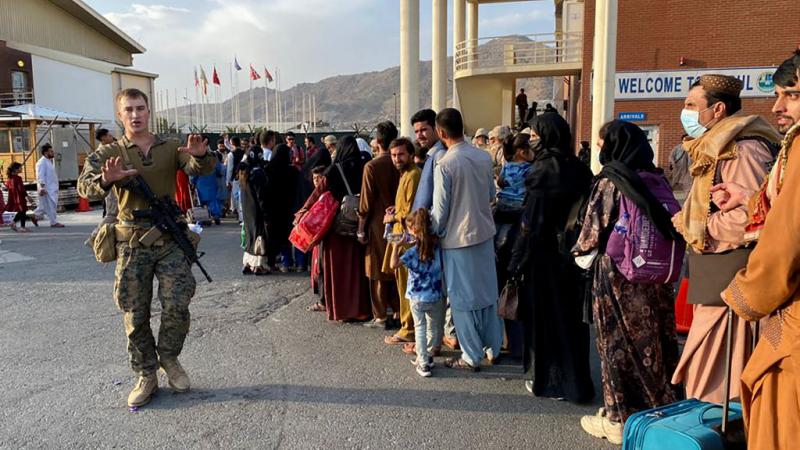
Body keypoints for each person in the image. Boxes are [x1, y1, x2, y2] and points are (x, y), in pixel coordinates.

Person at [77, 88, 216, 407]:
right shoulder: (110, 152)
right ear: (120, 115)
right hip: (131, 243)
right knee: (134, 312)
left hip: (169, 240)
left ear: (148, 111)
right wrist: (106, 180)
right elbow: (86, 186)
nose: (135, 115)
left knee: (178, 303)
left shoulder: (169, 147)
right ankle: (146, 374)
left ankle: (169, 359)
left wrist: (198, 155)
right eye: (129, 110)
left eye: (140, 108)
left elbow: (200, 169)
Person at [670, 74, 780, 404]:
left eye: (692, 105)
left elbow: (752, 219)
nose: (685, 112)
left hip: (732, 286)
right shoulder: (717, 146)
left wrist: (698, 226)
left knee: (716, 385)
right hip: (719, 282)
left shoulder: (742, 150)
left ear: (718, 109)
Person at [712, 51, 800, 449]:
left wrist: (744, 293)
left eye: (793, 95)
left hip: (787, 304)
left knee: (780, 416)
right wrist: (749, 198)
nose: (779, 106)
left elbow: (786, 236)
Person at [574, 120, 682, 444]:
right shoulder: (655, 177)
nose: (599, 149)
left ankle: (619, 418)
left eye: (601, 143)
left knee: (617, 346)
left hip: (618, 279)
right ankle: (659, 408)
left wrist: (576, 252)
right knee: (656, 342)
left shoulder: (611, 181)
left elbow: (590, 235)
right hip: (656, 279)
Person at [506, 113, 594, 403]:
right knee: (572, 323)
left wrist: (517, 260)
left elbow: (531, 224)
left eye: (534, 134)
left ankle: (551, 382)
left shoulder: (543, 170)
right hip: (574, 257)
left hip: (545, 258)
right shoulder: (579, 168)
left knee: (545, 320)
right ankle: (577, 383)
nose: (531, 139)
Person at [431, 108, 502, 371]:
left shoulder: (445, 164)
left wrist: (433, 231)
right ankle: (493, 348)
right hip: (484, 233)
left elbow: (440, 211)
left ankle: (471, 355)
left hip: (457, 239)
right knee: (487, 295)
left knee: (462, 301)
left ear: (440, 133)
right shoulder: (483, 157)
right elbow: (491, 193)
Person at [390, 208, 445, 378]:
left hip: (416, 297)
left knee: (420, 328)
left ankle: (423, 363)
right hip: (435, 295)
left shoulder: (413, 252)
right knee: (434, 328)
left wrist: (396, 246)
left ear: (413, 230)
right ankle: (428, 355)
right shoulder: (438, 246)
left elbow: (393, 265)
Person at [322, 136, 371, 322]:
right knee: (359, 269)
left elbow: (321, 193)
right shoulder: (365, 166)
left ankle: (342, 310)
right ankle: (363, 309)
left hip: (337, 227)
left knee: (339, 270)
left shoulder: (334, 170)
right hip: (360, 223)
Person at [357, 122, 401, 331]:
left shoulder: (372, 166)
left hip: (377, 224)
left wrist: (360, 228)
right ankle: (400, 312)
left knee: (377, 271)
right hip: (400, 221)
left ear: (379, 141)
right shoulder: (402, 163)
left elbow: (365, 203)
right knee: (397, 269)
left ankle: (381, 315)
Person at [382, 137, 423, 353]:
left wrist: (393, 217)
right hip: (399, 237)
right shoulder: (405, 175)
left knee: (408, 285)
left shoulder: (413, 175)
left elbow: (410, 213)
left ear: (410, 155)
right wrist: (394, 211)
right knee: (401, 284)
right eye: (394, 155)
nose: (397, 159)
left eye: (401, 155)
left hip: (406, 240)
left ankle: (408, 329)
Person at [264, 144, 299, 272]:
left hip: (272, 209)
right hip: (287, 209)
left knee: (272, 237)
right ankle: (286, 262)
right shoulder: (293, 171)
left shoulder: (267, 169)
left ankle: (271, 262)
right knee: (286, 237)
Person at [239, 159, 270, 274]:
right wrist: (266, 213)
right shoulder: (257, 174)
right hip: (257, 212)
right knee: (259, 238)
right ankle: (259, 265)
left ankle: (247, 263)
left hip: (247, 213)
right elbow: (261, 196)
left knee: (250, 238)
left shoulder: (244, 175)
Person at [190, 138, 224, 225]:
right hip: (212, 181)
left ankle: (202, 218)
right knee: (213, 200)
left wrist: (192, 182)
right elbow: (219, 168)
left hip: (201, 182)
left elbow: (193, 171)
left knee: (201, 202)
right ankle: (216, 216)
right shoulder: (213, 156)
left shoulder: (196, 156)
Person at [34, 143, 63, 227]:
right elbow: (40, 175)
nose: (53, 153)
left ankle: (34, 216)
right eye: (51, 151)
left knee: (44, 206)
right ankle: (53, 222)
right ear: (46, 152)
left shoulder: (48, 162)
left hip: (51, 188)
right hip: (46, 188)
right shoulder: (42, 162)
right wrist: (42, 187)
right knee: (51, 206)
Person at [4, 162, 37, 232]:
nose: (21, 169)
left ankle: (13, 223)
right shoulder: (18, 178)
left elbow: (9, 187)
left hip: (13, 198)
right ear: (16, 169)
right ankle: (22, 227)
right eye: (20, 167)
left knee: (22, 211)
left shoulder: (9, 179)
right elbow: (21, 189)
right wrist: (28, 196)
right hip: (19, 197)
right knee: (22, 211)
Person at [666, 135, 693, 204]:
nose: (686, 141)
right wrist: (673, 163)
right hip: (678, 169)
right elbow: (671, 156)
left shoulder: (692, 147)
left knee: (688, 186)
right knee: (672, 184)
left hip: (688, 170)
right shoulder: (677, 148)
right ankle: (668, 198)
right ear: (682, 140)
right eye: (684, 140)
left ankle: (687, 202)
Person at [225, 136, 246, 223]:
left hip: (235, 178)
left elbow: (230, 168)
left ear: (232, 143)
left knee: (236, 197)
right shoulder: (244, 152)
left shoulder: (231, 154)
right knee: (243, 197)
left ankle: (239, 215)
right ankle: (242, 216)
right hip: (244, 177)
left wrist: (227, 181)